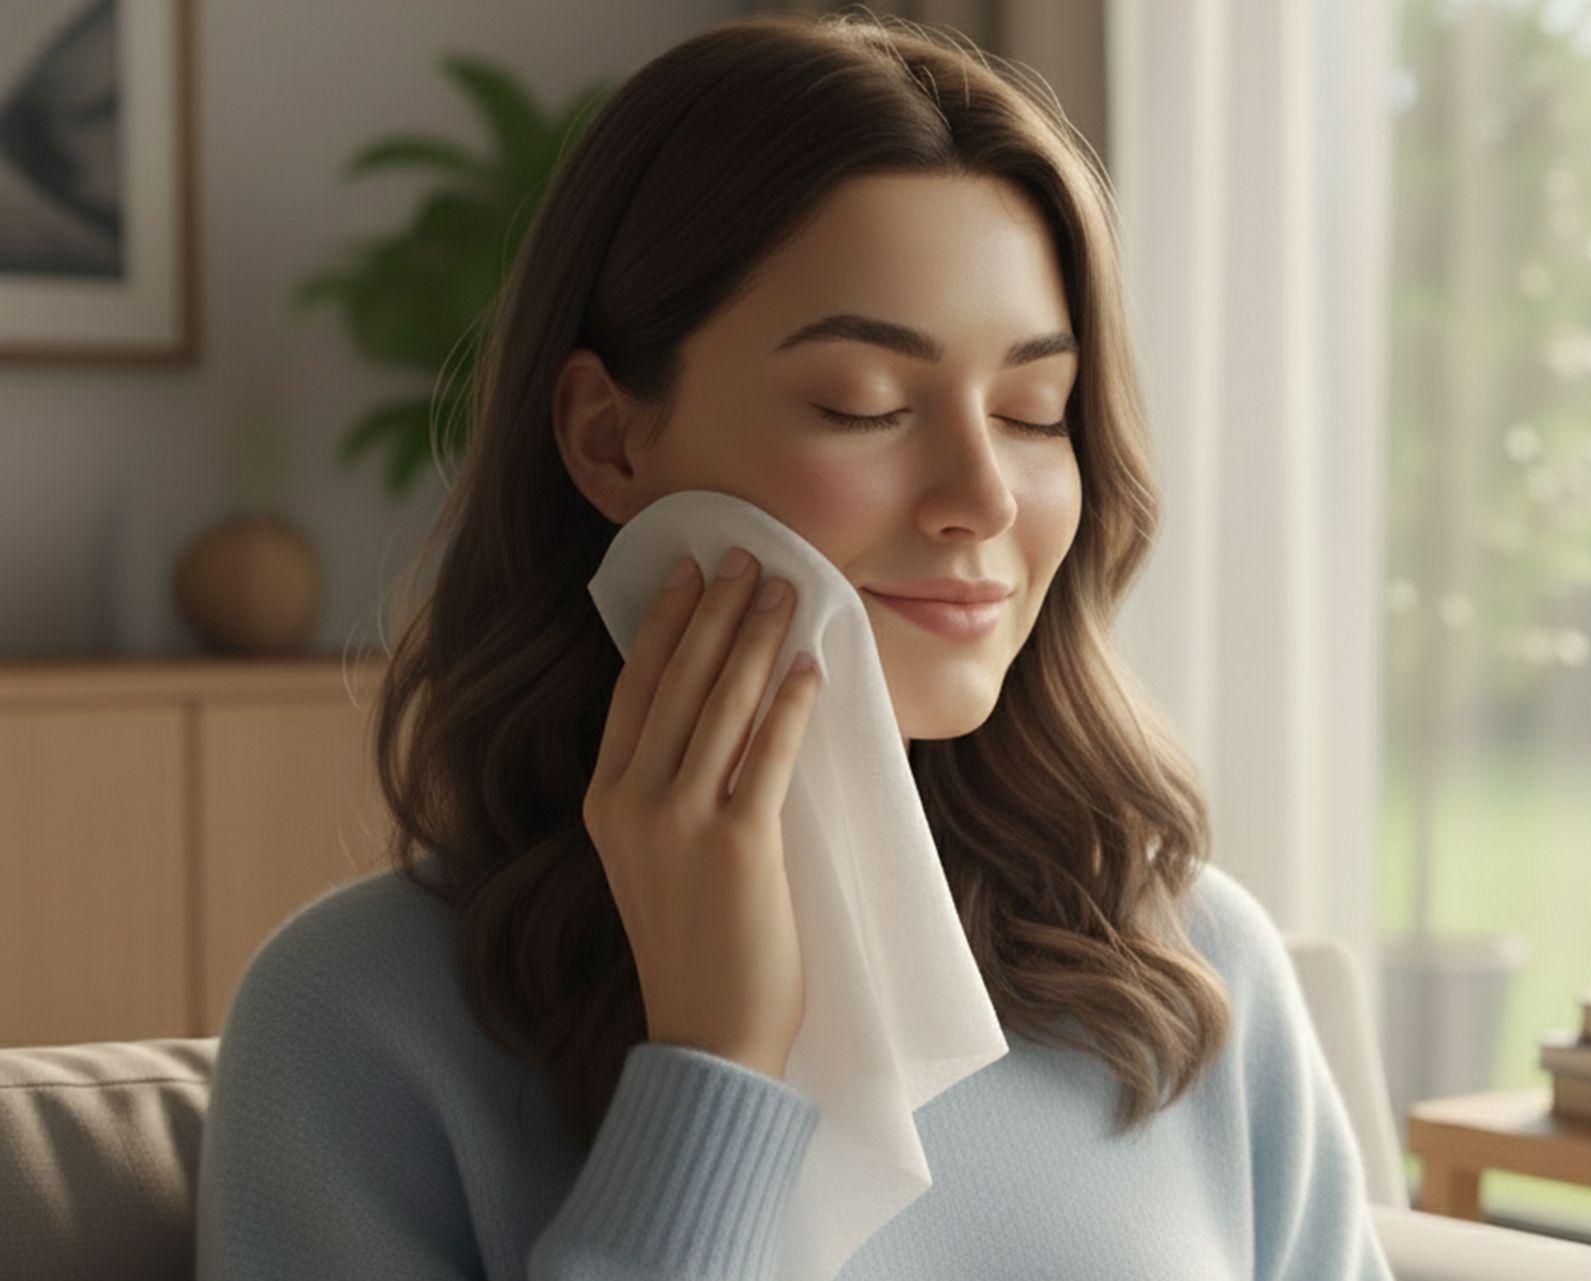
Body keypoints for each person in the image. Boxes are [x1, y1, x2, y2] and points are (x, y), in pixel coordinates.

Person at [195, 11, 1396, 1279]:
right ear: (609, 440)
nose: (981, 496)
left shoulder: (1191, 974)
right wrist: (711, 1068)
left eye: (1035, 413)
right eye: (862, 405)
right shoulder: (359, 1021)